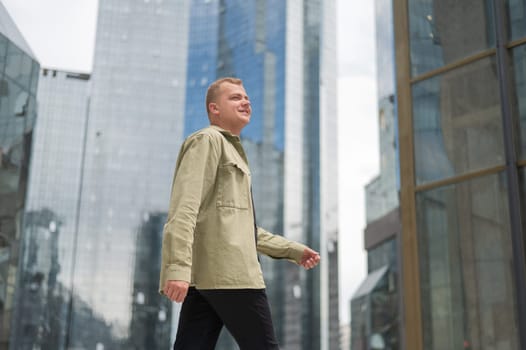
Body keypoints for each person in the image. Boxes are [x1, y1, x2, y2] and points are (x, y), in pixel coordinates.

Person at [159, 77, 321, 350]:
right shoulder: (207, 141)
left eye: (246, 97)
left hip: (208, 279)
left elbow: (241, 230)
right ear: (214, 109)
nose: (245, 101)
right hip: (232, 276)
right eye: (235, 97)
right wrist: (177, 268)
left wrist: (293, 249)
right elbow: (184, 208)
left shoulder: (233, 151)